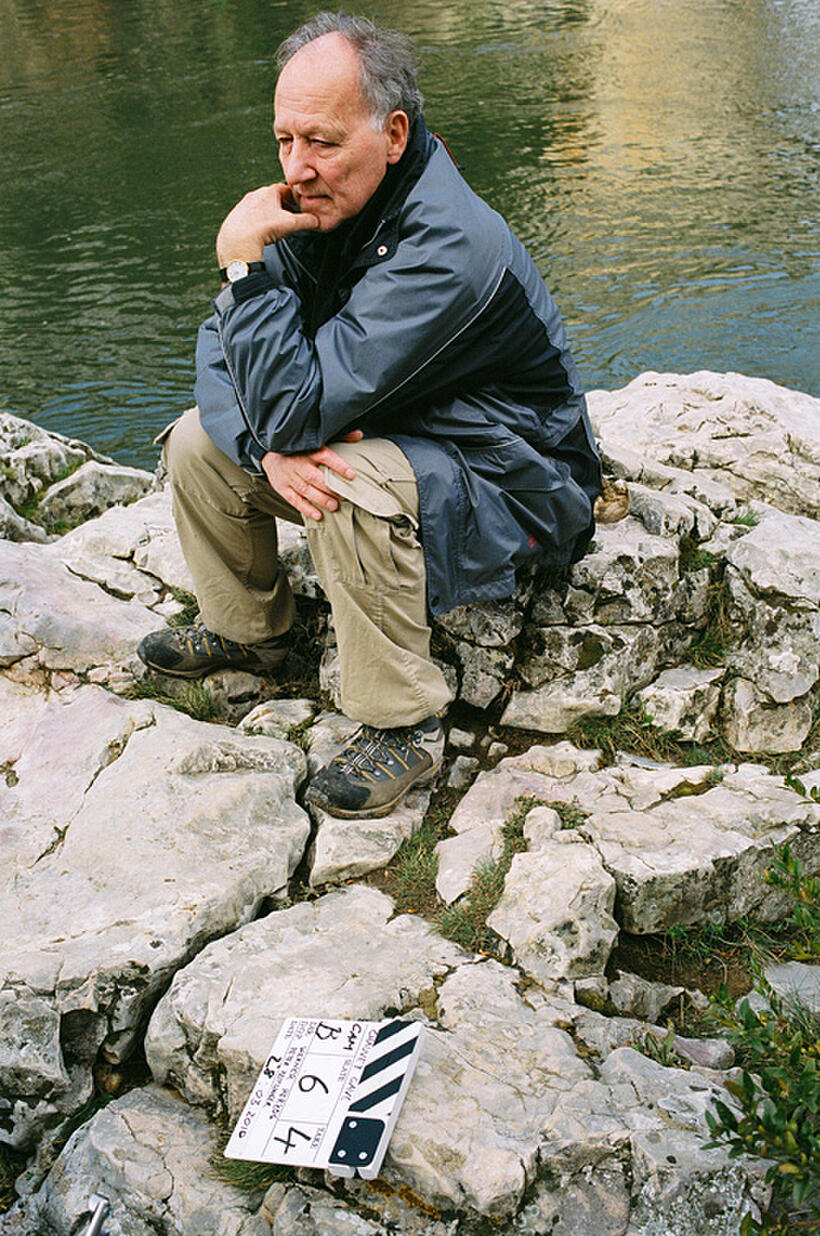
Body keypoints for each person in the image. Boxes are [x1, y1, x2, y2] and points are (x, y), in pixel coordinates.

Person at [138, 12, 602, 819]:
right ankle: (254, 633)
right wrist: (265, 446)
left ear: (391, 133)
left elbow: (301, 403)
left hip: (515, 475)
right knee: (196, 441)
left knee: (344, 477)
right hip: (412, 434)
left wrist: (245, 273)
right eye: (283, 140)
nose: (297, 167)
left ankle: (406, 725)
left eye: (320, 141)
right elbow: (222, 348)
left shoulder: (448, 241)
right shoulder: (325, 206)